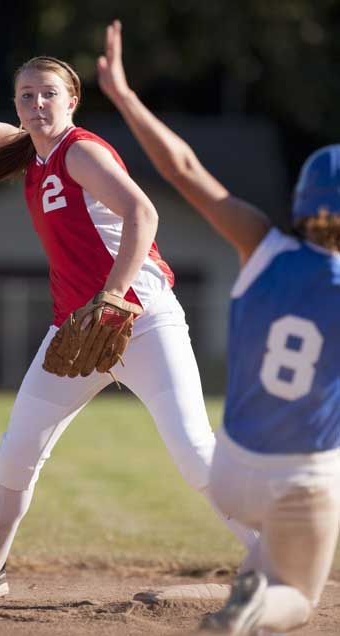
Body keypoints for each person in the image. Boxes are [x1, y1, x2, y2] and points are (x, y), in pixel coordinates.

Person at [0, 54, 256, 602]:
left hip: (143, 321)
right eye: (26, 95)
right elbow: (7, 135)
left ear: (72, 100)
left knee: (195, 453)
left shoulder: (79, 151)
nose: (37, 105)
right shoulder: (35, 153)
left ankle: (278, 557)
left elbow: (143, 213)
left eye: (49, 94)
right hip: (77, 328)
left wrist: (111, 296)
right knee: (16, 451)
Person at [97, 20, 340, 636]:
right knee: (299, 598)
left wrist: (123, 95)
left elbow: (182, 167)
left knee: (264, 559)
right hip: (302, 475)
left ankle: (246, 592)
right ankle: (258, 605)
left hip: (233, 467)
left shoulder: (263, 246)